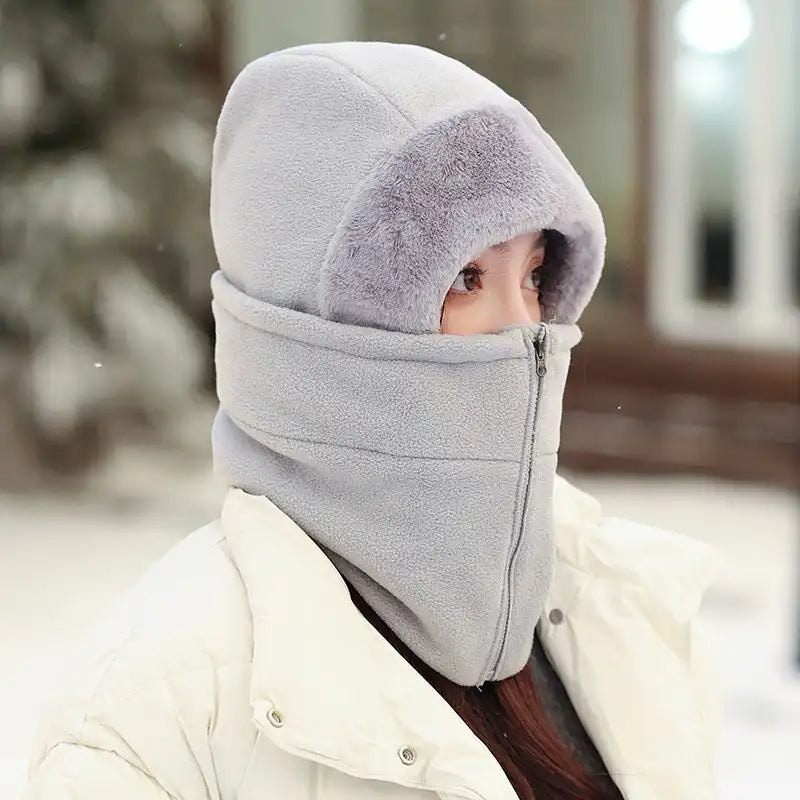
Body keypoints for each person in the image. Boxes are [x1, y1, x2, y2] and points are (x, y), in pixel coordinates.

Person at [23, 42, 721, 800]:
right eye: (465, 277)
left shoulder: (615, 602)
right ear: (318, 328)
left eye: (533, 275)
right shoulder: (154, 709)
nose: (526, 331)